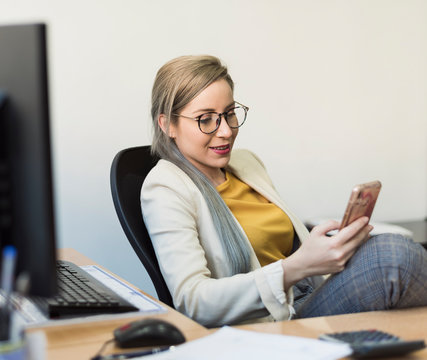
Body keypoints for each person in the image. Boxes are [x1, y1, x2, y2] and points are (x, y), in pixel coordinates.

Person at [140, 55, 427, 327]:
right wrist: (295, 268)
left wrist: (329, 248)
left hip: (309, 292)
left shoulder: (246, 163)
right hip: (273, 321)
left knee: (390, 245)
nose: (226, 131)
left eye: (229, 114)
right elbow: (193, 302)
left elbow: (282, 246)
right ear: (167, 125)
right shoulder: (165, 188)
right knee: (393, 258)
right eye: (206, 119)